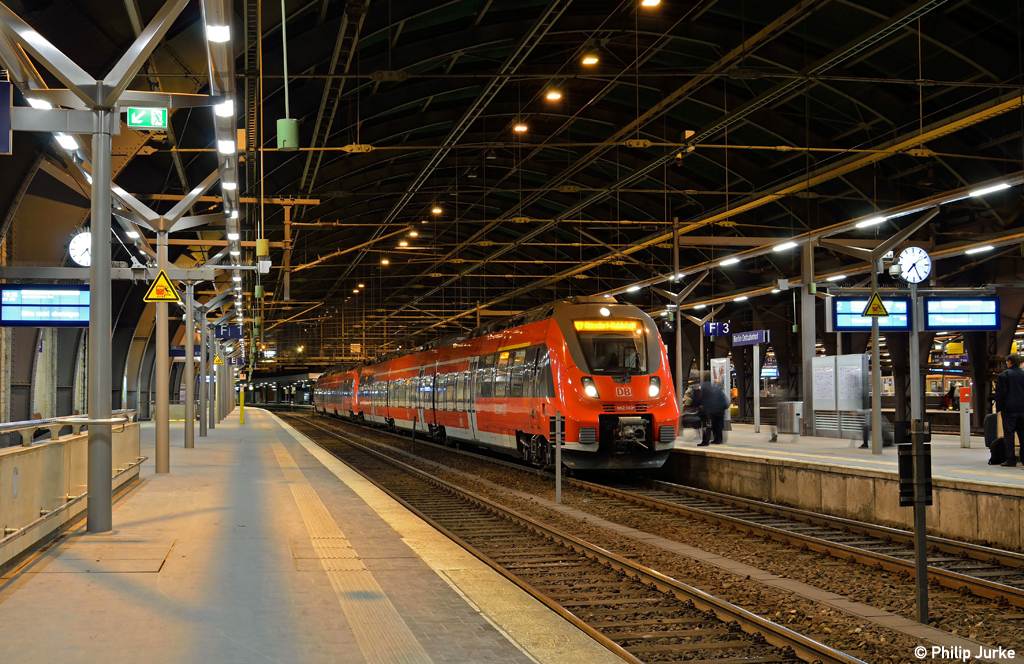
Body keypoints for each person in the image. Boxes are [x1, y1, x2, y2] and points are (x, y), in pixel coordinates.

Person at [995, 354, 1024, 467]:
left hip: (1009, 410)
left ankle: (1011, 460)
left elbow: (1001, 393)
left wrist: (999, 407)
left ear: (1010, 362)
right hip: (1023, 409)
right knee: (1023, 435)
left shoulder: (1004, 375)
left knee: (1009, 435)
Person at [699, 378, 728, 445]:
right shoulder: (719, 392)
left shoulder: (712, 392)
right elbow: (725, 403)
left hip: (715, 411)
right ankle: (718, 439)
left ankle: (715, 440)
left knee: (715, 426)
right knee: (718, 426)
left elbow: (710, 402)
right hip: (720, 411)